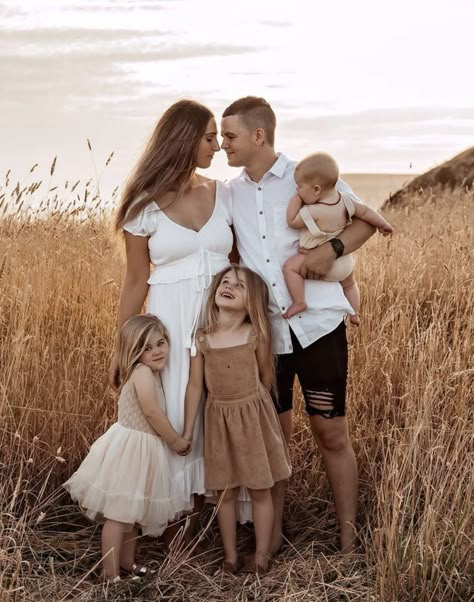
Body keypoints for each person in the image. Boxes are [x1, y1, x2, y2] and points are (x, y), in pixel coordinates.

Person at [220, 96, 376, 555]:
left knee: (331, 432)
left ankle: (349, 543)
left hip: (320, 326)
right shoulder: (230, 194)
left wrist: (329, 253)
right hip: (267, 335)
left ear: (258, 135)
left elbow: (362, 221)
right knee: (274, 440)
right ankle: (270, 543)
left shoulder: (305, 174)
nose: (224, 144)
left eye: (229, 135)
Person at [109, 99, 237, 543]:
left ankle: (219, 520)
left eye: (219, 137)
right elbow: (134, 281)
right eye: (208, 137)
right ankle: (176, 521)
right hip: (168, 323)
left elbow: (244, 264)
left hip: (220, 323)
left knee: (218, 411)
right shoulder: (142, 207)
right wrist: (124, 346)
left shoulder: (225, 193)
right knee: (175, 412)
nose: (218, 146)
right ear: (184, 140)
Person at [64, 314, 190, 581]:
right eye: (147, 347)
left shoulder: (150, 372)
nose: (157, 351)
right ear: (134, 352)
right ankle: (108, 574)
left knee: (133, 515)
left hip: (143, 450)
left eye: (161, 343)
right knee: (119, 516)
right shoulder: (142, 373)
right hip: (132, 450)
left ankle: (126, 564)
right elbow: (152, 413)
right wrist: (176, 441)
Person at [182, 266, 291, 573]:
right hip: (219, 419)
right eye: (225, 282)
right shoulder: (202, 339)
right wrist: (188, 430)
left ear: (251, 301)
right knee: (225, 492)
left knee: (259, 488)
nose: (228, 286)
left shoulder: (254, 334)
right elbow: (194, 386)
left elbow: (265, 379)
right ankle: (229, 557)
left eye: (239, 286)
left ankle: (260, 557)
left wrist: (264, 420)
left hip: (253, 417)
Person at [283, 152, 393, 321]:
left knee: (290, 267)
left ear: (316, 189)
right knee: (349, 284)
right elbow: (365, 212)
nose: (297, 189)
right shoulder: (346, 201)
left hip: (315, 261)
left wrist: (295, 200)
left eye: (299, 187)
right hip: (344, 262)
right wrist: (383, 224)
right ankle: (355, 313)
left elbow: (292, 222)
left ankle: (299, 302)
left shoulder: (314, 211)